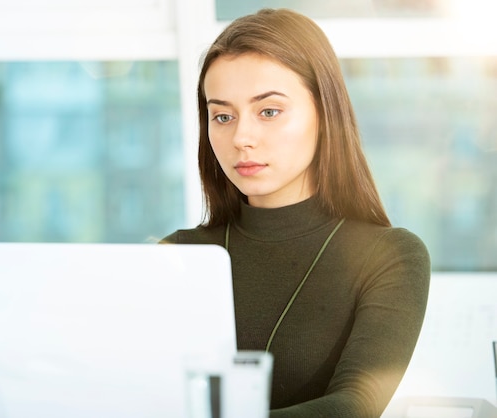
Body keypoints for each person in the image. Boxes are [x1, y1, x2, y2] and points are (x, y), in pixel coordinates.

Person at [161, 7, 431, 417]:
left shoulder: (389, 256)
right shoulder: (178, 255)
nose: (241, 137)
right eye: (222, 116)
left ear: (325, 114)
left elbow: (354, 406)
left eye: (268, 111)